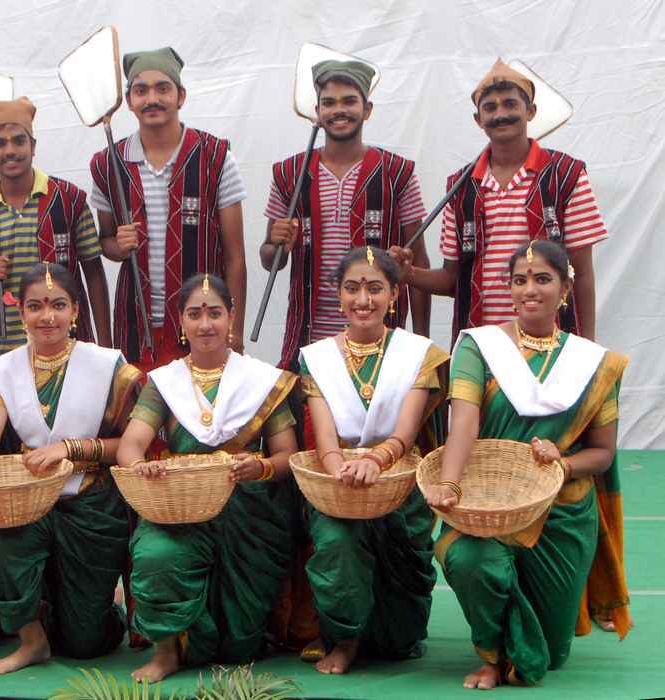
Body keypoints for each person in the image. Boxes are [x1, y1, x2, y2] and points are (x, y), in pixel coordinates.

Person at [426, 240, 629, 689]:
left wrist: (564, 463)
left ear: (565, 290)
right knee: (468, 558)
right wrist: (450, 486)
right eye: (519, 280)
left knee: (550, 655)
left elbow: (603, 453)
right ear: (509, 288)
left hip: (562, 510)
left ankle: (525, 639)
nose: (529, 290)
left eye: (542, 279)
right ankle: (492, 654)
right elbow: (464, 423)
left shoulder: (593, 364)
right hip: (490, 502)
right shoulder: (480, 347)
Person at [0, 262, 142, 674]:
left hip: (89, 502)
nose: (47, 316)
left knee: (86, 644)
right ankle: (32, 639)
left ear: (75, 311)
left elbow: (131, 446)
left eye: (58, 305)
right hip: (29, 501)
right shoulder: (4, 370)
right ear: (21, 312)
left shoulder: (108, 366)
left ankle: (96, 611)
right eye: (35, 306)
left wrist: (70, 449)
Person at [116, 273, 298, 681]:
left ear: (231, 316)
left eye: (214, 313)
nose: (205, 324)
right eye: (194, 314)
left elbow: (289, 455)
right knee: (156, 556)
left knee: (239, 648)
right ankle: (166, 651)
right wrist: (141, 467)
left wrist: (261, 467)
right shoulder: (166, 382)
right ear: (181, 320)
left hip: (247, 510)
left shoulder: (261, 381)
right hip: (180, 505)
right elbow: (131, 445)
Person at [295, 246, 448, 674]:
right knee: (337, 541)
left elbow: (405, 434)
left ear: (394, 294)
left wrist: (375, 463)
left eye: (375, 288)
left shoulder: (418, 354)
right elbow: (326, 440)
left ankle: (388, 630)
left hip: (399, 479)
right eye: (352, 288)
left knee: (399, 641)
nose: (363, 300)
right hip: (338, 479)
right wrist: (342, 474)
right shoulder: (317, 358)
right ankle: (343, 640)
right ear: (338, 295)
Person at [394, 60, 608, 343]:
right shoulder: (460, 187)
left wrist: (588, 348)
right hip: (481, 347)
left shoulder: (566, 176)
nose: (500, 114)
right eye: (490, 107)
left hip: (552, 345)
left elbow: (581, 274)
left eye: (510, 104)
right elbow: (452, 279)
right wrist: (408, 274)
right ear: (478, 119)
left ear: (531, 111)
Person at [262, 60, 430, 372]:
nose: (339, 110)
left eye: (349, 101)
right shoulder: (289, 173)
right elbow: (270, 259)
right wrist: (277, 243)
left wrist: (423, 345)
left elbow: (418, 262)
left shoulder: (398, 173)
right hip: (310, 338)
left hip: (380, 339)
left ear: (367, 109)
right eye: (329, 103)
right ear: (317, 111)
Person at [90, 47, 247, 369]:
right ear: (129, 101)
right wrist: (118, 245)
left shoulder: (215, 157)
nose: (152, 99)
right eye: (141, 90)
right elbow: (105, 241)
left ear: (180, 96)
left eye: (163, 88)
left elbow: (235, 257)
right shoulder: (108, 164)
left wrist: (235, 332)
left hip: (203, 324)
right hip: (136, 323)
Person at [0, 98, 112, 357]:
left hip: (68, 349)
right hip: (4, 354)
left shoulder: (69, 200)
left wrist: (104, 346)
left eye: (19, 140)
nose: (10, 151)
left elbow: (94, 272)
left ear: (33, 146)